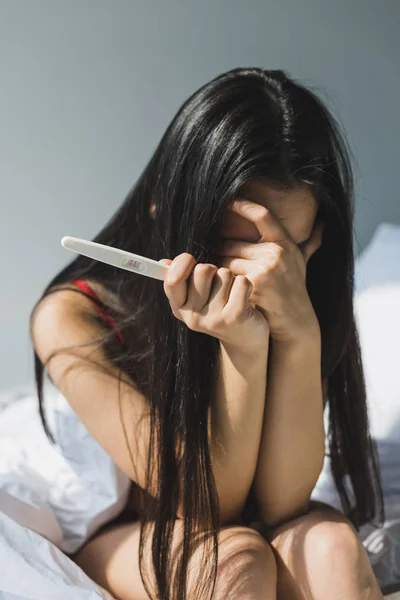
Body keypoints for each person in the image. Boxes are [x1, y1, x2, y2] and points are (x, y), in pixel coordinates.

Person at [30, 67, 385, 600]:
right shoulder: (73, 317)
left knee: (333, 549)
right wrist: (242, 345)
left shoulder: (299, 292)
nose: (265, 271)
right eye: (238, 249)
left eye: (287, 252)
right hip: (138, 529)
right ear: (170, 213)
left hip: (249, 518)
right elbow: (209, 507)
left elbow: (282, 504)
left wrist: (298, 332)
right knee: (237, 563)